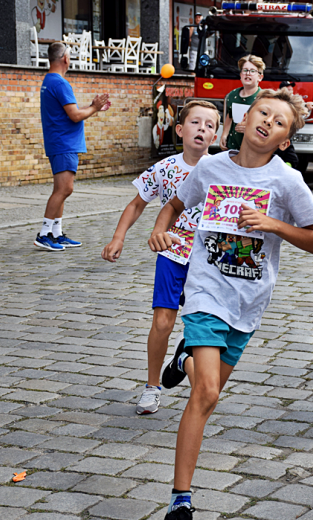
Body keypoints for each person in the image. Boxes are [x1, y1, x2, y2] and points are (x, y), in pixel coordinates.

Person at [150, 89, 313, 520]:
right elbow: (174, 204)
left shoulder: (286, 181)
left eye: (279, 121)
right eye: (263, 113)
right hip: (206, 291)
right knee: (206, 394)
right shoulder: (211, 167)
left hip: (247, 302)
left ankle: (187, 359)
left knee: (205, 389)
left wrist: (272, 224)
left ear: (285, 140)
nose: (268, 121)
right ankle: (181, 499)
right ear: (245, 120)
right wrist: (159, 230)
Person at [100, 101, 220, 414]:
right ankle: (153, 386)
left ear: (216, 135)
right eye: (196, 123)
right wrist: (118, 237)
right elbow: (136, 204)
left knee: (203, 323)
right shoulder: (166, 168)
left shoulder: (221, 170)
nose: (202, 129)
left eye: (209, 126)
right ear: (180, 130)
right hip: (172, 254)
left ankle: (187, 361)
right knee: (163, 323)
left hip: (208, 260)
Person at [34, 42, 110, 251]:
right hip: (63, 142)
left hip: (60, 141)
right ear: (65, 58)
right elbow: (75, 115)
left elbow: (71, 111)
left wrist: (93, 108)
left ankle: (56, 233)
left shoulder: (49, 81)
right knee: (65, 189)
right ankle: (44, 234)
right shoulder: (60, 83)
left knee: (62, 190)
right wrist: (94, 107)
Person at [220, 55, 264, 151]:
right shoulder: (232, 95)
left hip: (254, 150)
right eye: (245, 70)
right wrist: (224, 134)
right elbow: (230, 115)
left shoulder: (264, 98)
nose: (248, 73)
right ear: (240, 75)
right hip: (232, 147)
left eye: (252, 71)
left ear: (260, 77)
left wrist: (251, 130)